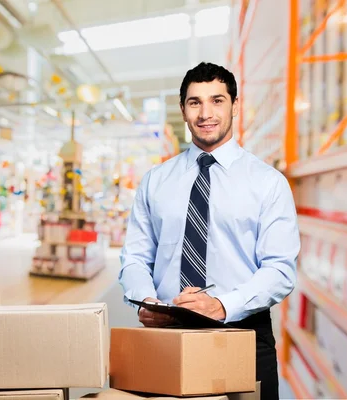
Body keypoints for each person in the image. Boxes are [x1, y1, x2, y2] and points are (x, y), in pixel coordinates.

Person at [118, 62, 300, 400]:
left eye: (217, 100)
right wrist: (146, 300)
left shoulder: (268, 183)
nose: (206, 113)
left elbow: (279, 269)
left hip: (242, 331)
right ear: (183, 111)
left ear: (234, 105)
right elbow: (135, 256)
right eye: (194, 102)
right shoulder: (155, 181)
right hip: (166, 332)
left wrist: (220, 305)